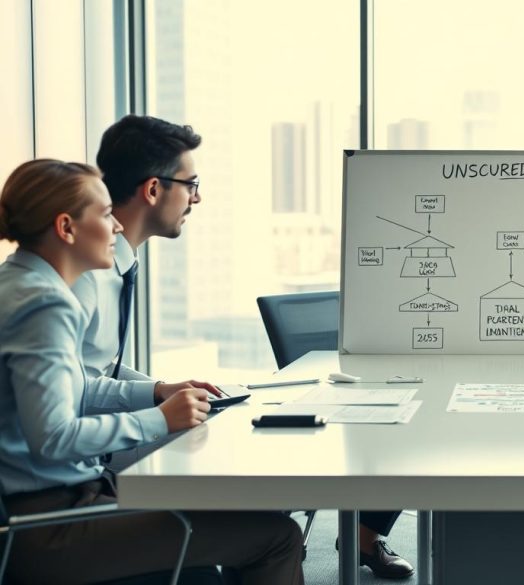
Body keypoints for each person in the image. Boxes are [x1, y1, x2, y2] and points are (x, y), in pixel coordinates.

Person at [83, 114, 411, 578]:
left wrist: (160, 388)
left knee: (249, 450)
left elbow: (97, 372)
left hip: (99, 447)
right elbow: (72, 395)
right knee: (256, 478)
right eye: (191, 184)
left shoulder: (113, 265)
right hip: (86, 468)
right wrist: (158, 409)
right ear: (153, 189)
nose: (197, 197)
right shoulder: (85, 274)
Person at [0, 159, 304, 584]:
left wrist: (155, 393)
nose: (117, 227)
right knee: (277, 536)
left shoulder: (16, 282)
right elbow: (53, 438)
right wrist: (159, 420)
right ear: (66, 228)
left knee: (233, 518)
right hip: (51, 527)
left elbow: (74, 387)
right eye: (106, 214)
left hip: (49, 509)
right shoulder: (45, 305)